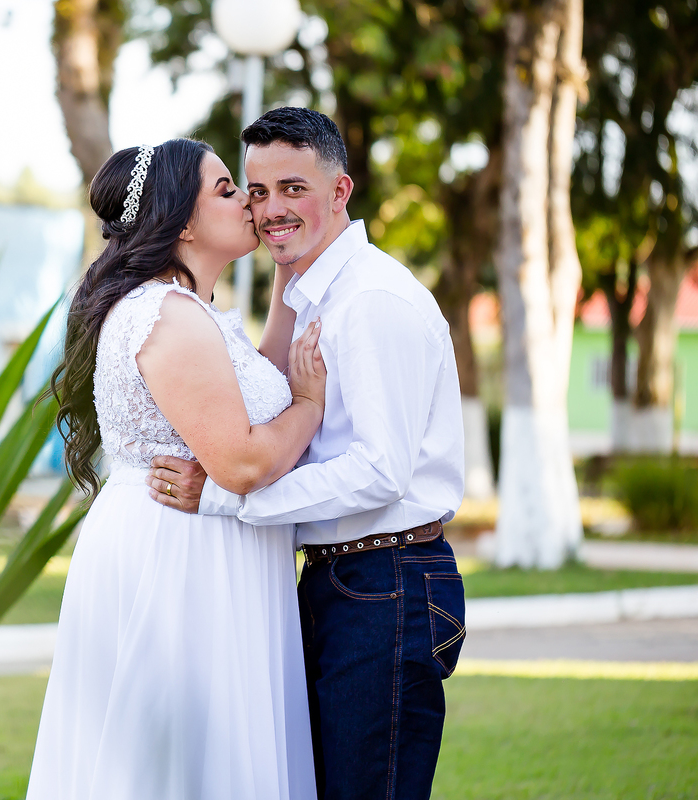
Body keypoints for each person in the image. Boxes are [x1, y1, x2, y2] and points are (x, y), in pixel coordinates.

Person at [148, 107, 467, 800]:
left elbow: (381, 472)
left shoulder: (370, 301)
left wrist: (230, 496)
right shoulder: (308, 293)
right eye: (256, 193)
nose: (271, 211)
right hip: (339, 581)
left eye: (293, 188)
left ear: (340, 192)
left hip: (389, 582)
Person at [26, 138, 323, 800]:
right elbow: (243, 461)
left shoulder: (193, 314)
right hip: (179, 558)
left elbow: (256, 386)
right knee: (178, 766)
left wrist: (287, 278)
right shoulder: (168, 317)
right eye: (225, 189)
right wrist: (309, 405)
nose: (247, 198)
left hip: (197, 544)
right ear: (181, 222)